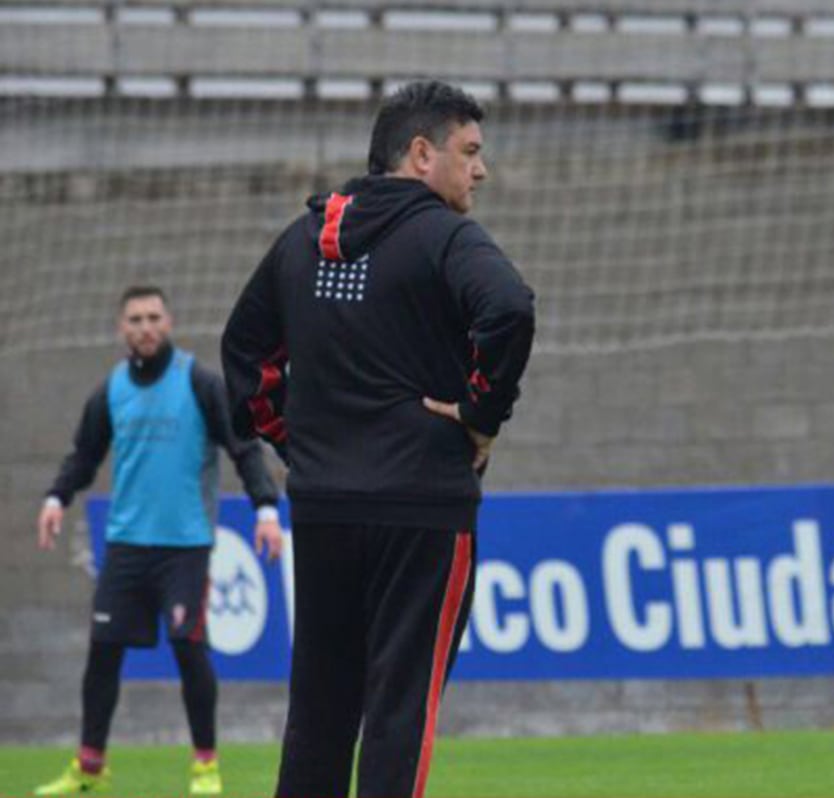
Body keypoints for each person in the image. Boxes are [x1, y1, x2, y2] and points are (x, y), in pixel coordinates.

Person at [221, 80, 535, 798]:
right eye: (470, 152)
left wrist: (297, 444)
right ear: (422, 155)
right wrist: (482, 414)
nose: (480, 170)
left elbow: (245, 353)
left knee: (319, 713)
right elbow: (509, 308)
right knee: (400, 712)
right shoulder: (445, 234)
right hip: (422, 506)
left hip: (326, 506)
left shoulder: (301, 238)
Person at [35, 285, 282, 796]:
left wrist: (264, 508)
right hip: (126, 545)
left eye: (153, 317)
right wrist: (57, 497)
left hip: (185, 546)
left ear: (168, 322)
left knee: (188, 650)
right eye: (135, 319)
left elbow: (243, 445)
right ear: (121, 329)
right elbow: (84, 456)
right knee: (102, 653)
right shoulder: (111, 391)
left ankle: (205, 766)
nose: (145, 327)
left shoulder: (198, 382)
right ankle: (90, 767)